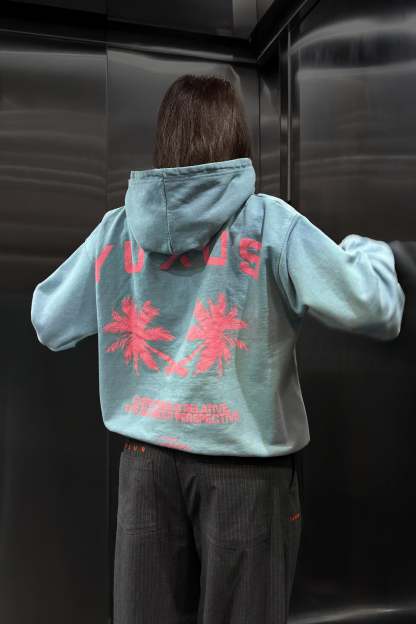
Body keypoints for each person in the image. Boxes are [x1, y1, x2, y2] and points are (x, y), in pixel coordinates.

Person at [30, 74, 406, 623]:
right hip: (244, 473)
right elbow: (375, 306)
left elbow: (48, 320)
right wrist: (370, 252)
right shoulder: (269, 224)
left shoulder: (116, 231)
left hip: (145, 469)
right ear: (236, 138)